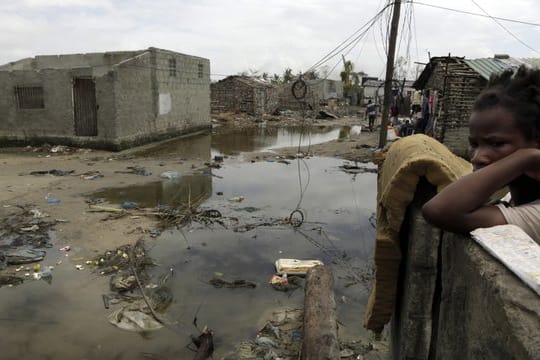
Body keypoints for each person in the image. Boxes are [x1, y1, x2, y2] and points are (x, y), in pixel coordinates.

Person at [422, 65, 540, 244]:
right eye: (474, 145)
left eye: (496, 144)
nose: (477, 157)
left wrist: (527, 157)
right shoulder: (511, 196)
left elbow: (439, 211)